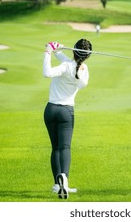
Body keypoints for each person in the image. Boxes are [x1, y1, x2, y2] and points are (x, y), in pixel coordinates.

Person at [43, 38, 92, 199]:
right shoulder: (83, 70)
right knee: (65, 147)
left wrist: (48, 52)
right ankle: (64, 178)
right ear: (87, 56)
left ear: (74, 50)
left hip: (50, 110)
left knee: (55, 147)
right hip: (66, 112)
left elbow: (47, 73)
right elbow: (74, 68)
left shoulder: (66, 66)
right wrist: (58, 52)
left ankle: (57, 185)